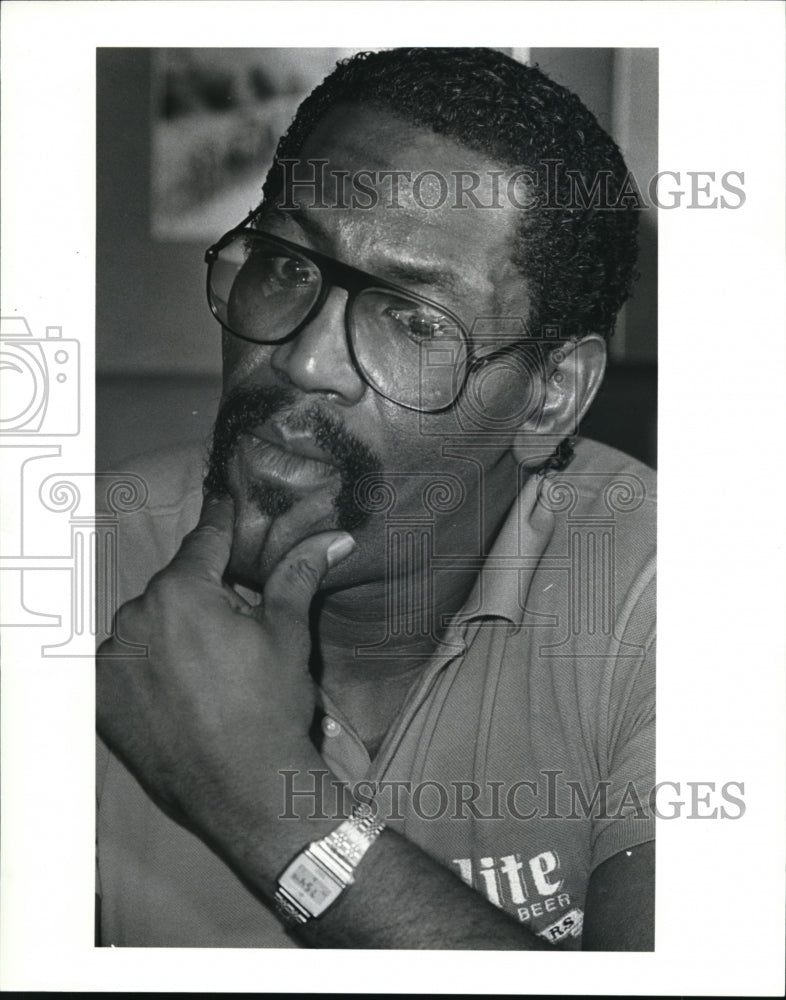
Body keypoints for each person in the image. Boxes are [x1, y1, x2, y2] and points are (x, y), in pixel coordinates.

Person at [96, 47, 656, 950]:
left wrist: (260, 804)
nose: (305, 360)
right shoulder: (71, 559)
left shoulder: (676, 597)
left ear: (550, 395)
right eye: (284, 264)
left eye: (413, 321)